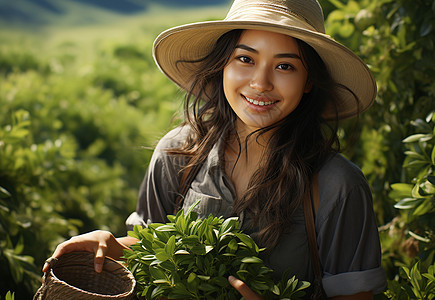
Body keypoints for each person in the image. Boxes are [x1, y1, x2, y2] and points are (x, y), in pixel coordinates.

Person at [43, 0, 387, 298]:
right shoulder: (178, 155)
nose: (260, 83)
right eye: (245, 59)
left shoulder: (337, 186)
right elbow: (152, 256)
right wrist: (115, 246)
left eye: (285, 66)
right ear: (222, 64)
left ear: (309, 80)